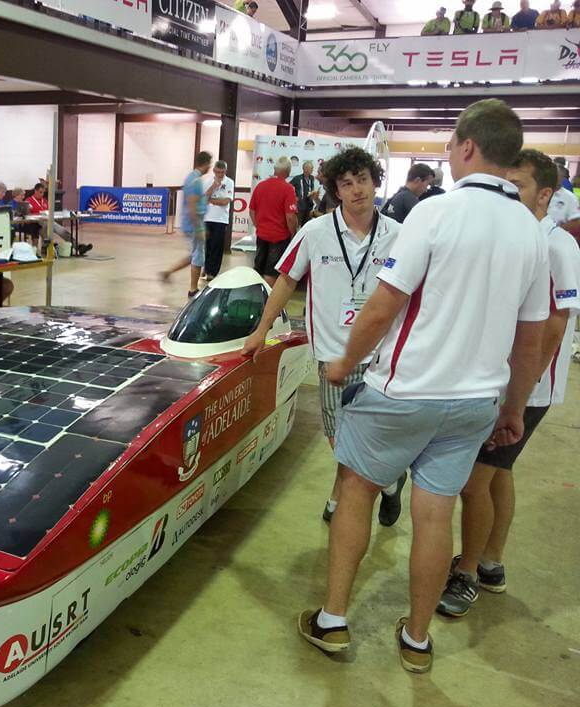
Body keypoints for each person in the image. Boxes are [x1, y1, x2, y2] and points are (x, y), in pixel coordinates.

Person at [297, 99, 548, 675]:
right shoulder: (531, 232)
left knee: (356, 488)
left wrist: (343, 363)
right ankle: (415, 638)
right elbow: (529, 341)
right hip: (474, 404)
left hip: (403, 392)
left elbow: (385, 305)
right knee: (435, 515)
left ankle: (333, 621)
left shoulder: (434, 215)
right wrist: (512, 408)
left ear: (466, 147)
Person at [437, 150, 580, 618]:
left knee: (473, 484)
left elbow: (554, 328)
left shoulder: (557, 246)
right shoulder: (515, 236)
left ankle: (467, 573)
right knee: (499, 474)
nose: (508, 193)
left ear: (545, 194)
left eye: (518, 185)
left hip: (524, 392)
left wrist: (518, 396)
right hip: (503, 385)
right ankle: (493, 562)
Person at [243, 147, 405, 526]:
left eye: (362, 180)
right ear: (337, 190)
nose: (357, 190)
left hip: (384, 355)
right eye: (346, 184)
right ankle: (388, 485)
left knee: (370, 435)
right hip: (333, 354)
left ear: (375, 181)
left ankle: (345, 498)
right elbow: (286, 279)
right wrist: (261, 329)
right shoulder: (315, 232)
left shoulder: (399, 235)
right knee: (339, 439)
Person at [160, 151, 212, 297]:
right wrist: (199, 227)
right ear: (206, 164)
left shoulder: (191, 178)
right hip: (193, 224)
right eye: (210, 164)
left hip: (190, 223)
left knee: (193, 255)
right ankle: (193, 289)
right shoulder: (195, 181)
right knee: (198, 256)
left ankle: (168, 273)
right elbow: (192, 206)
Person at [249, 156, 298, 287]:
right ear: (288, 171)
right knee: (271, 271)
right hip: (279, 236)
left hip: (262, 234)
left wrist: (258, 225)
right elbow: (290, 217)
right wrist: (293, 234)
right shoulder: (288, 189)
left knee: (258, 267)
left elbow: (252, 211)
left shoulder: (260, 186)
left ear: (275, 169)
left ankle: (255, 296)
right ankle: (266, 302)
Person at [202, 160, 235, 281]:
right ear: (214, 171)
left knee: (217, 245)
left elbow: (225, 201)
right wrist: (214, 186)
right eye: (218, 172)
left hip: (221, 219)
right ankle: (206, 268)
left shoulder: (229, 182)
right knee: (208, 245)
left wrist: (212, 200)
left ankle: (213, 272)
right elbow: (204, 198)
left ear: (225, 171)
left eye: (222, 172)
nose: (220, 174)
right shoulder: (207, 181)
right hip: (208, 218)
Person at [290, 161, 318, 226]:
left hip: (309, 206)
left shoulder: (312, 178)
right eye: (311, 168)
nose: (312, 170)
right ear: (305, 169)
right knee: (298, 225)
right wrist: (294, 197)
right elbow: (288, 187)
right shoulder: (297, 178)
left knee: (307, 226)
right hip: (300, 206)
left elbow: (311, 188)